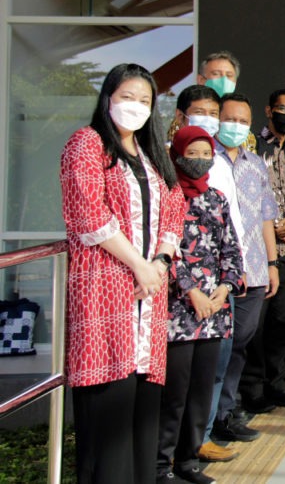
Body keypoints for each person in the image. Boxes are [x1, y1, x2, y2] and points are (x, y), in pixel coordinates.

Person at [59, 63, 185, 484]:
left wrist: (160, 264)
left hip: (148, 297)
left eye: (144, 101)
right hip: (106, 291)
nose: (135, 107)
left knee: (142, 417)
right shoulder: (87, 144)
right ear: (108, 97)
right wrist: (139, 265)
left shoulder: (152, 154)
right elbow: (88, 214)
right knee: (107, 420)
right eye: (127, 97)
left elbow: (175, 208)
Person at [158, 126, 244, 484]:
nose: (198, 160)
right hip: (178, 310)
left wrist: (224, 290)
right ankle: (160, 466)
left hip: (214, 311)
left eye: (204, 154)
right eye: (190, 153)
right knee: (174, 393)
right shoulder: (166, 196)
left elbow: (231, 250)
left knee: (201, 390)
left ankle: (189, 461)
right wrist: (191, 292)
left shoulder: (218, 198)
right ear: (176, 154)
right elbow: (165, 252)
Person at [209, 93, 280, 444]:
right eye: (229, 119)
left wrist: (271, 263)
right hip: (217, 272)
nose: (235, 126)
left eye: (242, 120)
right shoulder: (205, 159)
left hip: (253, 269)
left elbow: (267, 217)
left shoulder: (256, 164)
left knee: (240, 343)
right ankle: (206, 421)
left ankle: (225, 412)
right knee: (216, 347)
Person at [241, 89, 285, 412]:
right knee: (257, 321)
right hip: (258, 250)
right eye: (282, 108)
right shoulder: (250, 149)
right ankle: (251, 388)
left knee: (283, 320)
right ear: (269, 110)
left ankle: (276, 382)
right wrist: (270, 226)